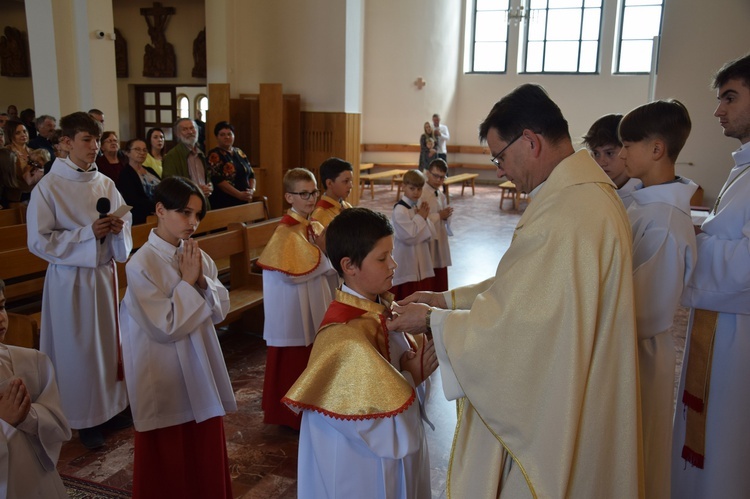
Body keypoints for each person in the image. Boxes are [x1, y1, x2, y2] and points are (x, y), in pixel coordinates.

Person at [388, 83, 643, 498]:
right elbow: (526, 286)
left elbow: (523, 327)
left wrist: (435, 321)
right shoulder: (578, 196)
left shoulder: (570, 212)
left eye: (500, 156)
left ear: (530, 141)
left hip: (556, 410)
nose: (500, 169)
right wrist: (445, 301)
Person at [283, 207, 437, 499]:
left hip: (389, 461)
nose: (393, 264)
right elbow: (378, 429)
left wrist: (414, 372)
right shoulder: (344, 338)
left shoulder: (384, 311)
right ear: (349, 265)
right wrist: (411, 377)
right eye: (382, 258)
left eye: (391, 253)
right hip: (357, 469)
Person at [119, 177, 236, 499]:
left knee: (203, 444)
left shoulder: (196, 253)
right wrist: (187, 282)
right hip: (162, 369)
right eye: (185, 213)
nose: (193, 222)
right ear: (160, 209)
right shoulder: (140, 264)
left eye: (198, 215)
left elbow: (220, 308)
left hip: (200, 362)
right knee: (169, 454)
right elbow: (164, 326)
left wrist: (200, 282)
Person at [26, 111, 133, 450]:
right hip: (70, 279)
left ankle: (111, 408)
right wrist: (88, 234)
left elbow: (124, 231)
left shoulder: (105, 183)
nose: (94, 147)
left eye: (97, 140)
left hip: (102, 277)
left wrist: (117, 230)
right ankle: (82, 418)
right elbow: (39, 241)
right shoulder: (49, 187)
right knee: (78, 350)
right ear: (67, 143)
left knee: (105, 345)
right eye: (87, 140)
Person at [671, 53, 750, 498]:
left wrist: (691, 244)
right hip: (722, 327)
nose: (719, 110)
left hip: (740, 338)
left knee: (729, 450)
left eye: (731, 98)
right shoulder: (744, 167)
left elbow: (746, 264)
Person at [618, 99, 698, 499]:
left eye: (628, 144)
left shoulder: (665, 221)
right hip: (628, 349)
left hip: (641, 354)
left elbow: (644, 313)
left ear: (656, 149)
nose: (620, 154)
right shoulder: (641, 204)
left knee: (638, 456)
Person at [257, 168, 337, 430]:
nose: (311, 198)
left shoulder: (312, 225)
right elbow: (292, 273)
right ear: (289, 197)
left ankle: (311, 408)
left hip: (312, 300)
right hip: (292, 308)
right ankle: (288, 417)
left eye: (313, 192)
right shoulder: (286, 231)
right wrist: (325, 258)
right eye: (303, 194)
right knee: (293, 360)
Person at [0, 279, 72, 499]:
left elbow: (58, 424)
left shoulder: (31, 362)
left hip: (39, 482)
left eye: (1, 306)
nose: (1, 317)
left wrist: (26, 417)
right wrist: (4, 422)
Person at [391, 169, 434, 301]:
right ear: (403, 187)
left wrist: (423, 219)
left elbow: (430, 233)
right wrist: (421, 218)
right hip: (406, 260)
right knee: (406, 298)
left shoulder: (419, 206)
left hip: (420, 258)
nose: (416, 192)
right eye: (412, 188)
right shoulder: (400, 210)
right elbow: (409, 237)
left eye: (419, 189)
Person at [582, 113, 640, 207]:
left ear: (626, 150)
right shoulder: (592, 191)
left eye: (609, 153)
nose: (601, 162)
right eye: (596, 154)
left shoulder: (641, 193)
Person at [420, 158, 453, 291]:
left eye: (442, 177)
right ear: (428, 173)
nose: (439, 180)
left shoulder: (441, 194)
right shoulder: (421, 193)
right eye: (436, 176)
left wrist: (446, 216)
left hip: (440, 236)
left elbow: (443, 218)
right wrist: (439, 215)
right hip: (428, 239)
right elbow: (421, 218)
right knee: (430, 269)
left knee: (439, 269)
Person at [162, 118, 213, 206]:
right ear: (177, 134)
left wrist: (210, 186)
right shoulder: (172, 156)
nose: (190, 132)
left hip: (204, 203)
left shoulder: (201, 154)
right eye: (185, 129)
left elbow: (207, 177)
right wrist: (195, 189)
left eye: (192, 128)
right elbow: (170, 185)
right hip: (185, 205)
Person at [206, 121, 256, 209]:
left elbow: (251, 174)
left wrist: (251, 190)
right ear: (217, 137)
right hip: (224, 202)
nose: (227, 137)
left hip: (244, 199)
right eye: (222, 135)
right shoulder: (214, 154)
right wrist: (239, 194)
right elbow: (218, 180)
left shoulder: (239, 152)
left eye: (229, 134)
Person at [115, 139, 160, 224]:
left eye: (144, 150)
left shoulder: (150, 170)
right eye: (137, 149)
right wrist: (157, 208)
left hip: (160, 211)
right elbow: (133, 201)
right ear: (127, 153)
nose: (142, 152)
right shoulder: (126, 173)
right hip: (142, 217)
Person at [310, 156, 353, 228]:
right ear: (329, 183)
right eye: (346, 181)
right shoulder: (319, 215)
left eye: (351, 181)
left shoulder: (347, 206)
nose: (350, 186)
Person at [4, 119, 42, 196]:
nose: (23, 135)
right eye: (18, 133)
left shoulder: (33, 151)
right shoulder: (6, 152)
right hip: (14, 195)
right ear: (10, 135)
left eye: (24, 131)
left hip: (34, 191)